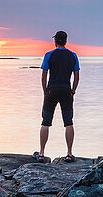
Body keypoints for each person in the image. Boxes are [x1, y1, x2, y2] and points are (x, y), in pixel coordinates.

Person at [33, 30, 80, 163]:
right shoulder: (73, 56)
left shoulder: (49, 55)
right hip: (66, 91)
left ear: (55, 41)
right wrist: (73, 90)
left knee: (45, 122)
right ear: (65, 41)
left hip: (51, 91)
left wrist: (45, 91)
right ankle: (69, 154)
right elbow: (76, 76)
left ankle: (41, 153)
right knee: (68, 122)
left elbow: (43, 76)